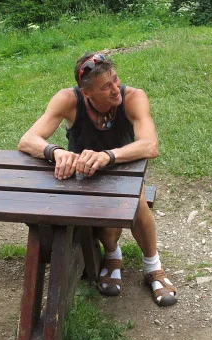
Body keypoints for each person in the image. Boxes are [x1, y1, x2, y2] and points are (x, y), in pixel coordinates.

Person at [18, 52, 177, 306]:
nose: (115, 89)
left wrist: (108, 156)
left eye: (115, 79)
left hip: (124, 171)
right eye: (105, 86)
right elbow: (27, 140)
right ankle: (112, 255)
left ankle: (153, 266)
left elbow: (150, 145)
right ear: (86, 93)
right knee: (95, 212)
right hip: (84, 177)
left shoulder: (134, 97)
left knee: (136, 202)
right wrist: (55, 151)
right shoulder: (68, 99)